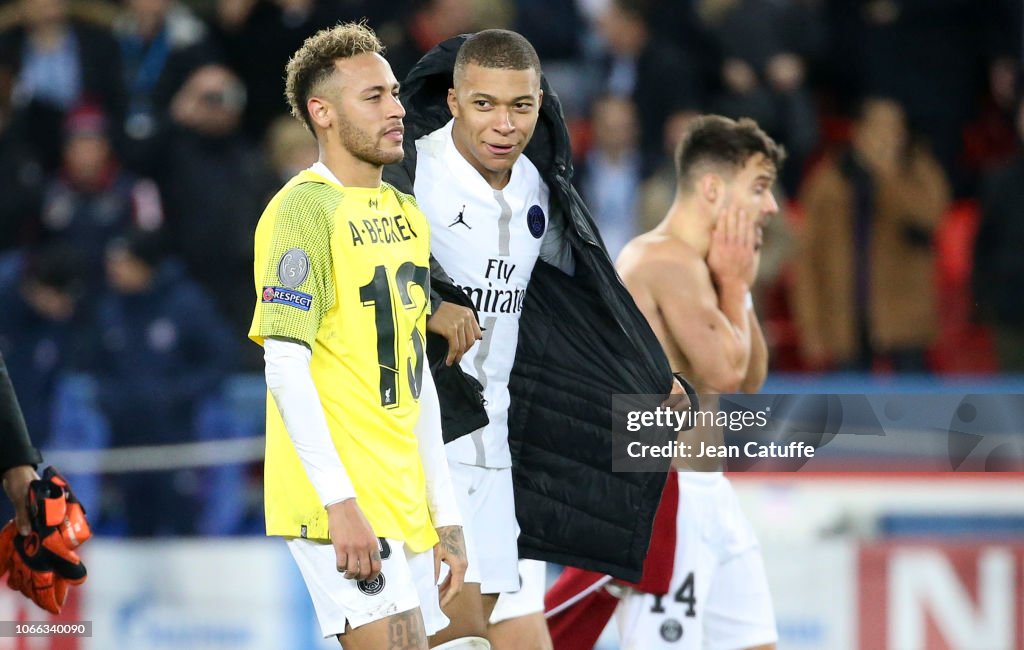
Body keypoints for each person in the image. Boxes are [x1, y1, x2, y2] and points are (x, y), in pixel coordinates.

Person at [386, 29, 687, 649]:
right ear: (452, 102)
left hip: (500, 443)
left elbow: (592, 294)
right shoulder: (407, 176)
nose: (504, 124)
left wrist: (654, 377)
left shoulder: (538, 189)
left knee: (497, 637)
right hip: (426, 439)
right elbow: (363, 271)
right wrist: (430, 301)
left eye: (521, 106)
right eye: (484, 104)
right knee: (454, 637)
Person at [247, 23, 469, 650]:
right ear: (322, 113)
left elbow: (415, 374)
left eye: (394, 93)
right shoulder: (302, 212)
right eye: (373, 97)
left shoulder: (403, 212)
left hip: (401, 498)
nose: (397, 109)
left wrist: (443, 516)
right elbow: (285, 368)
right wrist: (339, 502)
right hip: (338, 501)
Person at [546, 115, 782, 650]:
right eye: (760, 188)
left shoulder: (704, 267)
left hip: (708, 490)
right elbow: (724, 371)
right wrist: (735, 284)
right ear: (713, 187)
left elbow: (751, 377)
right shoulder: (660, 259)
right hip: (664, 494)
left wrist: (735, 288)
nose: (769, 207)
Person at [792, 97, 950, 373]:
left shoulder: (918, 171)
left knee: (914, 405)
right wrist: (811, 327)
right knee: (850, 410)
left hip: (905, 318)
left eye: (896, 129)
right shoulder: (830, 181)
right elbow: (807, 259)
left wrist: (888, 178)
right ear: (858, 132)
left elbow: (930, 217)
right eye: (879, 129)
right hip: (846, 317)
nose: (888, 138)